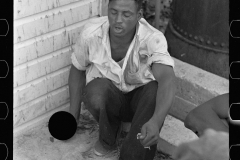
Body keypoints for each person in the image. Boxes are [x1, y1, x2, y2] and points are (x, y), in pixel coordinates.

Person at [68, 0, 176, 159]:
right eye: (113, 12)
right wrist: (72, 118)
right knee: (95, 91)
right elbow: (77, 69)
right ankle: (108, 140)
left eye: (126, 14)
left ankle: (136, 151)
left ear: (139, 15)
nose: (118, 19)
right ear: (107, 9)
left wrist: (156, 120)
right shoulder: (92, 33)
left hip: (141, 105)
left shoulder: (152, 39)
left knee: (154, 89)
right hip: (111, 100)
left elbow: (168, 80)